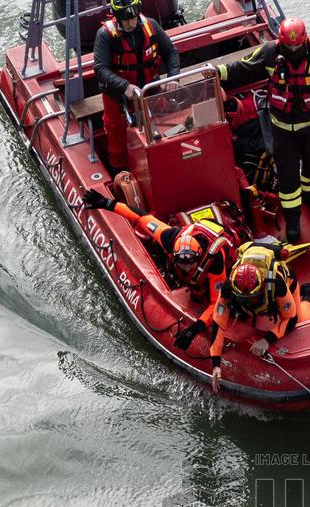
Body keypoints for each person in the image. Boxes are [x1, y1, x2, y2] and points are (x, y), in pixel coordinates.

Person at [217, 17, 310, 242]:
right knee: (287, 177)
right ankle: (293, 219)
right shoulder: (269, 53)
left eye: (297, 45)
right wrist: (216, 74)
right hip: (283, 131)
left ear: (304, 41)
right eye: (289, 46)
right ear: (281, 42)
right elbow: (243, 68)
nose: (294, 49)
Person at [177, 239, 310, 394]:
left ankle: (308, 293)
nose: (249, 301)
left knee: (301, 323)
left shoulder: (276, 283)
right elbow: (219, 323)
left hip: (286, 286)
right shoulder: (228, 287)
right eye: (244, 298)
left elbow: (289, 318)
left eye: (252, 298)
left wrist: (267, 340)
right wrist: (216, 364)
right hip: (249, 296)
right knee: (238, 312)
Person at [82, 188, 237, 324]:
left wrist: (198, 326)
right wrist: (107, 204)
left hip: (225, 259)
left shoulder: (215, 260)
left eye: (191, 262)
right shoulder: (169, 237)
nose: (187, 266)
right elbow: (141, 218)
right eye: (182, 262)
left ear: (199, 256)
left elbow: (217, 303)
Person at [93, 0, 180, 174]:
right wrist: (124, 86)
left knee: (164, 126)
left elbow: (171, 52)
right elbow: (100, 69)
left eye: (133, 18)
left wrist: (173, 77)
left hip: (149, 90)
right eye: (126, 19)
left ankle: (165, 164)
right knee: (117, 136)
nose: (131, 23)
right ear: (117, 17)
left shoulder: (151, 26)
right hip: (119, 97)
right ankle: (121, 172)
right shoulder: (105, 35)